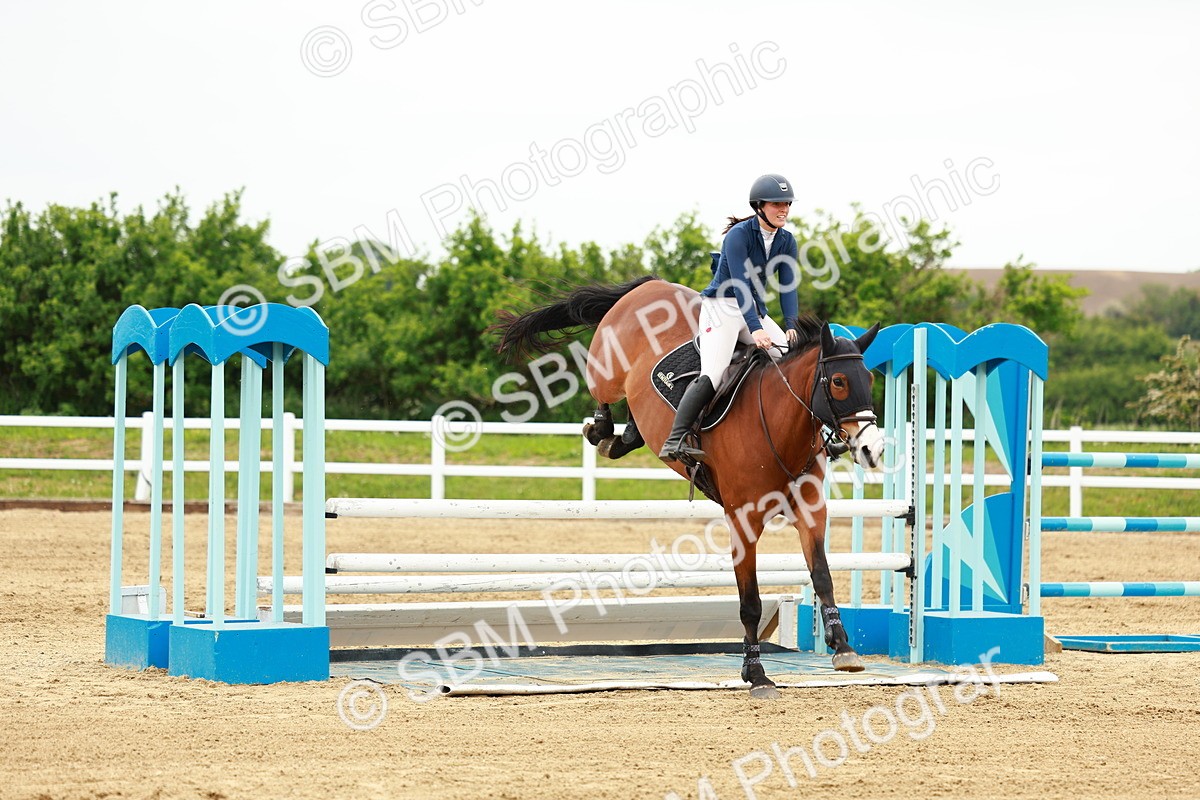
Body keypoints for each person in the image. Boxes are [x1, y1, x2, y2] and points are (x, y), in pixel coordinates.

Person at [659, 173, 801, 462]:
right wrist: (755, 328)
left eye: (787, 203)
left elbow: (789, 287)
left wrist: (791, 326)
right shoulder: (739, 236)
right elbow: (738, 284)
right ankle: (674, 440)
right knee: (714, 372)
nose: (783, 208)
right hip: (722, 307)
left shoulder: (787, 241)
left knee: (790, 360)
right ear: (759, 206)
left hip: (754, 310)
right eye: (777, 204)